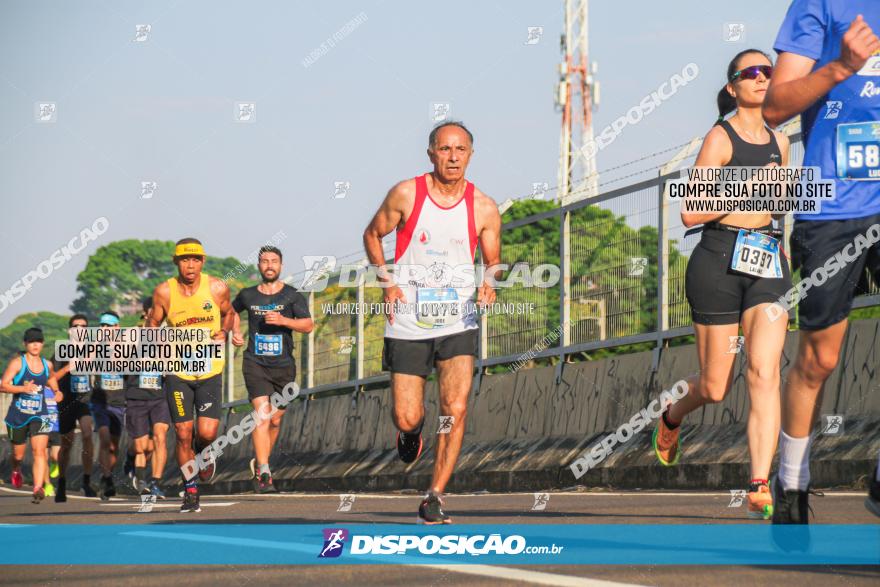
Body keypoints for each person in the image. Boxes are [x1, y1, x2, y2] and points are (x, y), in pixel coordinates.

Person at [652, 50, 792, 520]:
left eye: (767, 72)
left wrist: (782, 247)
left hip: (768, 263)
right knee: (716, 386)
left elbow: (779, 206)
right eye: (749, 73)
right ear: (732, 87)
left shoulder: (781, 142)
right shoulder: (721, 137)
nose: (760, 78)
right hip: (718, 261)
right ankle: (672, 416)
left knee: (765, 372)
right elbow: (691, 212)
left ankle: (758, 482)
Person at [763, 2, 880, 522]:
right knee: (819, 359)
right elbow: (774, 108)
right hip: (832, 205)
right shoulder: (821, 4)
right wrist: (841, 67)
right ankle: (792, 480)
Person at [362, 121, 501, 524]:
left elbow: (493, 262)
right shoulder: (407, 193)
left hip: (458, 320)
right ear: (431, 154)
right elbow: (372, 234)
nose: (453, 157)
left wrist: (489, 284)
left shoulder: (484, 207)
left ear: (471, 155)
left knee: (453, 408)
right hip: (408, 320)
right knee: (408, 415)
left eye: (460, 150)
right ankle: (410, 433)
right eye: (445, 149)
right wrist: (387, 282)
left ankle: (435, 494)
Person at [147, 238, 234, 513]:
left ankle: (204, 453)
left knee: (207, 433)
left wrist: (225, 331)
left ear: (203, 262)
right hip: (177, 372)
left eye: (195, 259)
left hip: (209, 369)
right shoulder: (164, 292)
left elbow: (229, 313)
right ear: (176, 262)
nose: (190, 264)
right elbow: (152, 323)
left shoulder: (217, 287)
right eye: (185, 259)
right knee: (183, 432)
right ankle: (191, 490)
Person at [231, 246, 313, 493]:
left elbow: (308, 325)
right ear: (258, 265)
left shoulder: (292, 296)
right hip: (255, 363)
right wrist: (234, 331)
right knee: (261, 415)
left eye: (273, 261)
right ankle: (265, 472)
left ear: (281, 266)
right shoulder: (247, 295)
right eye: (264, 261)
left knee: (275, 420)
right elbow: (230, 312)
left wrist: (283, 320)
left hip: (284, 366)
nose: (269, 265)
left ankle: (261, 459)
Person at [1, 328, 61, 503]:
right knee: (18, 455)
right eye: (31, 341)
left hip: (41, 414)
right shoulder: (17, 363)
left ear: (42, 344)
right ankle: (16, 469)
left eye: (38, 341)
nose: (35, 345)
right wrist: (23, 388)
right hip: (18, 416)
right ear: (25, 344)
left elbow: (51, 379)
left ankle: (37, 487)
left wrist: (57, 392)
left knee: (40, 451)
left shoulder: (46, 365)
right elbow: (3, 385)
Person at [124, 298, 170, 499]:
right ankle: (139, 475)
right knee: (142, 446)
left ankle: (155, 482)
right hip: (136, 395)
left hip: (160, 395)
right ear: (145, 313)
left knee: (160, 436)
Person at [49, 314, 97, 501]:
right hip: (66, 401)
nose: (80, 329)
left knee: (87, 434)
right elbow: (51, 377)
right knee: (66, 443)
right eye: (76, 326)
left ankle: (86, 481)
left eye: (84, 326)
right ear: (70, 330)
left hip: (84, 400)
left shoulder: (92, 350)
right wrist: (69, 367)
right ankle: (61, 482)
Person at [90, 311, 126, 500]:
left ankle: (108, 478)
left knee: (114, 446)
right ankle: (106, 477)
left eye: (109, 327)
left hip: (119, 401)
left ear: (117, 328)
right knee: (104, 439)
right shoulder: (95, 348)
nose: (105, 330)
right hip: (100, 401)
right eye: (102, 326)